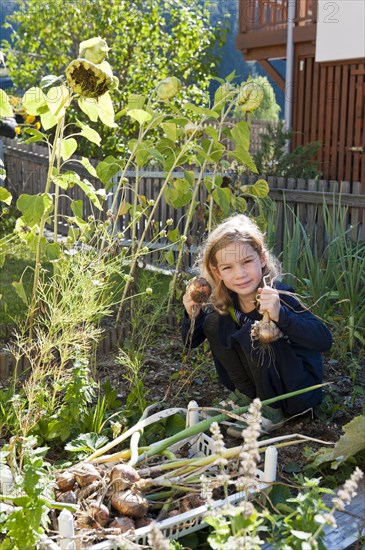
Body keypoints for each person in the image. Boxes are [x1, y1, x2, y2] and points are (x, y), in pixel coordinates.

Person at [182, 214, 332, 436]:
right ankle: (246, 397)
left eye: (247, 262)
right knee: (213, 321)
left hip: (297, 392)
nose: (240, 274)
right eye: (228, 267)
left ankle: (270, 409)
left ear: (261, 259)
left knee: (256, 330)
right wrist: (192, 314)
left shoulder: (279, 295)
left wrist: (281, 316)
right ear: (217, 272)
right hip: (260, 386)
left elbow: (324, 340)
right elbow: (190, 342)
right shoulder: (227, 303)